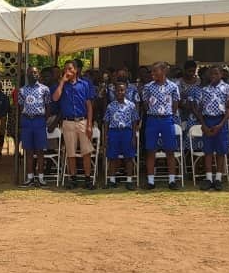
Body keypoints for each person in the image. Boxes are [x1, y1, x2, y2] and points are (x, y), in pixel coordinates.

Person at [52, 59, 94, 189]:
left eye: (70, 69)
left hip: (82, 121)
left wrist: (89, 124)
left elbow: (89, 106)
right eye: (65, 69)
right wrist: (62, 83)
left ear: (76, 70)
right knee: (70, 152)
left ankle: (87, 179)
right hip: (68, 122)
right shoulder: (62, 85)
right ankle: (73, 179)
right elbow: (55, 98)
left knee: (86, 151)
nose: (67, 71)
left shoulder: (84, 84)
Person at [141, 62, 181, 190]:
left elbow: (175, 105)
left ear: (164, 71)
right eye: (151, 72)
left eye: (155, 71)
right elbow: (145, 104)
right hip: (152, 120)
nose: (152, 74)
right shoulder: (148, 87)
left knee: (170, 150)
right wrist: (154, 112)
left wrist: (167, 114)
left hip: (167, 120)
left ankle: (172, 180)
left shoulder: (173, 86)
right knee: (150, 150)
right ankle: (151, 181)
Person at [194, 65, 229, 191]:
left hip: (221, 120)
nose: (213, 76)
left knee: (221, 151)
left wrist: (222, 124)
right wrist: (203, 125)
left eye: (216, 74)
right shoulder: (204, 90)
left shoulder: (227, 88)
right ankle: (208, 178)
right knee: (208, 151)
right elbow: (198, 109)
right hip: (208, 121)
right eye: (211, 74)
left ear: (221, 74)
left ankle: (218, 178)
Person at [18, 66, 51, 187]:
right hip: (27, 121)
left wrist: (44, 120)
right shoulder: (22, 91)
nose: (33, 75)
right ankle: (30, 177)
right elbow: (21, 107)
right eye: (31, 73)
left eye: (35, 72)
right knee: (29, 151)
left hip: (39, 121)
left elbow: (48, 106)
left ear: (38, 74)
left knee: (40, 151)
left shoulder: (45, 89)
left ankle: (41, 178)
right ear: (27, 75)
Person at [104, 81, 139, 189]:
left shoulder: (131, 105)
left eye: (122, 90)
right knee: (112, 157)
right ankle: (112, 180)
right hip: (113, 132)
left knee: (129, 157)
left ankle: (129, 181)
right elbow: (106, 121)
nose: (120, 92)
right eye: (118, 90)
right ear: (114, 92)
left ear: (126, 91)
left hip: (127, 132)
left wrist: (133, 136)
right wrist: (106, 136)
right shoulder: (110, 106)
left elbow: (134, 121)